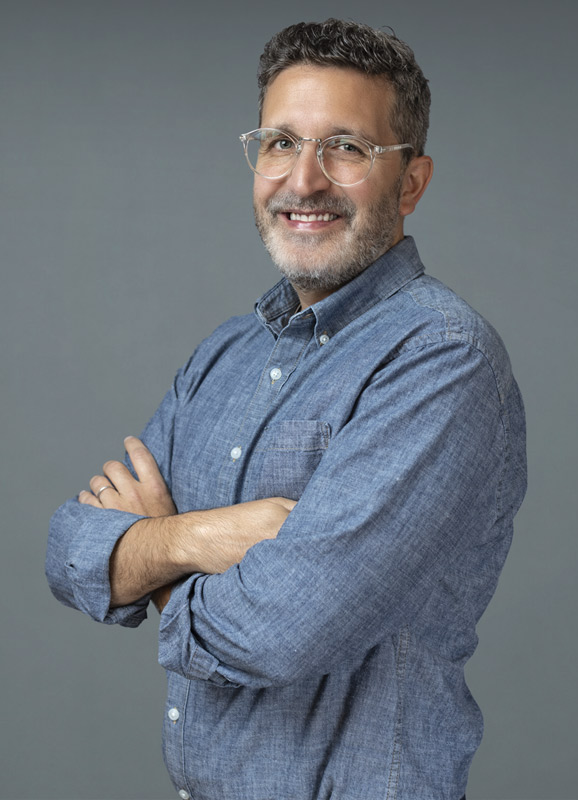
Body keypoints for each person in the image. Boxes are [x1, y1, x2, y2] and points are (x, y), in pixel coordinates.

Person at [46, 18, 527, 800]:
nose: (304, 181)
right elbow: (70, 550)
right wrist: (202, 536)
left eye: (347, 147)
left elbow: (276, 634)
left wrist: (152, 564)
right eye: (280, 143)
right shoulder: (225, 354)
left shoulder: (442, 357)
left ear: (411, 182)